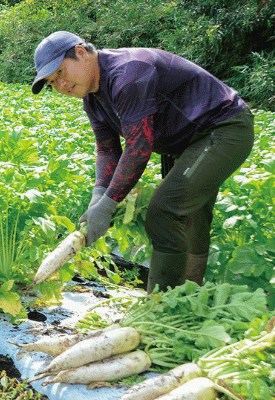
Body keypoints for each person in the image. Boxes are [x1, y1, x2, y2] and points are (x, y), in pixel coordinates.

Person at [31, 31, 254, 293]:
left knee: (164, 210)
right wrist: (99, 194)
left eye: (60, 72)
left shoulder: (129, 73)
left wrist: (108, 205)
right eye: (51, 82)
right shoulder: (92, 100)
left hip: (223, 128)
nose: (60, 84)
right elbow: (107, 150)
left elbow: (139, 146)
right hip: (185, 143)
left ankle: (159, 305)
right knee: (190, 215)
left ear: (81, 53)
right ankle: (191, 294)